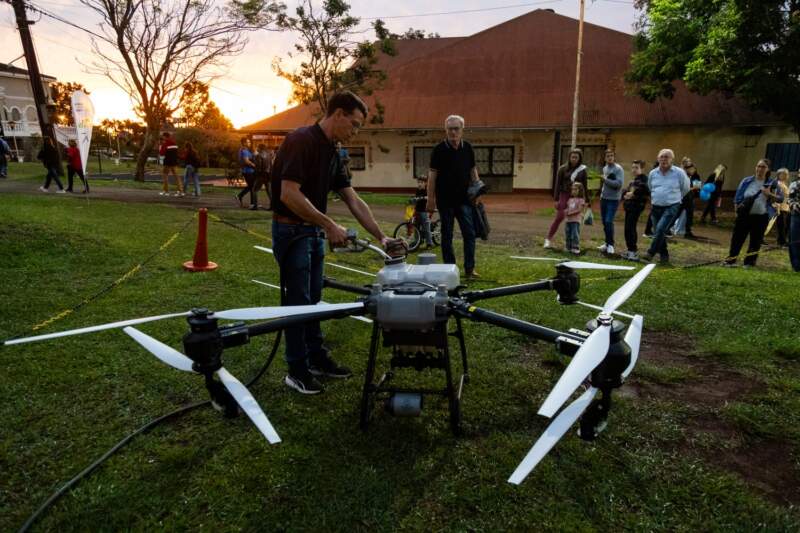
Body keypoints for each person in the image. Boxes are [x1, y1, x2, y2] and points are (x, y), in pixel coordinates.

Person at [271, 91, 401, 394]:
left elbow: (352, 199)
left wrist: (381, 236)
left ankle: (316, 357)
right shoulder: (300, 140)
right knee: (297, 304)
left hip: (312, 233)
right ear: (338, 114)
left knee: (314, 299)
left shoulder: (334, 151)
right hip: (291, 233)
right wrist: (328, 224)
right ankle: (297, 369)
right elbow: (288, 193)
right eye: (353, 124)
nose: (355, 132)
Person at [426, 114, 482, 278]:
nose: (453, 132)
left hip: (465, 200)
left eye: (456, 129)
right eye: (450, 129)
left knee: (470, 234)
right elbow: (432, 176)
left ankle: (470, 269)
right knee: (447, 236)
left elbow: (473, 171)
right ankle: (450, 270)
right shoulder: (439, 150)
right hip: (445, 201)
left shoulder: (468, 148)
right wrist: (430, 199)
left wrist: (478, 190)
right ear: (446, 130)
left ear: (462, 130)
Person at [723, 159, 782, 268]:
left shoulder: (771, 183)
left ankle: (749, 262)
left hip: (761, 216)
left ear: (768, 169)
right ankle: (731, 260)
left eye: (763, 167)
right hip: (744, 215)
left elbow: (781, 198)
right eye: (758, 166)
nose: (760, 169)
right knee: (737, 238)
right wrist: (737, 212)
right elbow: (737, 197)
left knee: (756, 240)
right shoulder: (747, 181)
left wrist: (769, 194)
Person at [642, 149, 689, 264]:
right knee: (659, 231)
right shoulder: (653, 173)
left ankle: (650, 252)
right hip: (656, 206)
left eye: (667, 157)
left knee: (660, 228)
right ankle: (664, 255)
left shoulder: (679, 173)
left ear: (672, 159)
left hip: (671, 206)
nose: (664, 159)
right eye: (662, 157)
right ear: (658, 159)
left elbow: (686, 188)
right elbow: (650, 187)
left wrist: (676, 198)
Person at [545, 148, 588, 249]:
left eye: (576, 157)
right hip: (564, 195)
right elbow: (557, 184)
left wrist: (587, 201)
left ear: (579, 158)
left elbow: (585, 186)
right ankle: (548, 239)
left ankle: (573, 244)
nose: (574, 159)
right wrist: (556, 199)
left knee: (575, 220)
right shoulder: (562, 169)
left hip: (576, 198)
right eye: (572, 157)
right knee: (559, 217)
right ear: (569, 157)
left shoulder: (583, 170)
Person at [621, 159, 650, 260]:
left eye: (636, 168)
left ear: (642, 169)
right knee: (628, 229)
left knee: (630, 228)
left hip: (636, 208)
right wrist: (625, 194)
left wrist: (633, 194)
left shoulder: (644, 180)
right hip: (629, 207)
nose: (633, 169)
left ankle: (633, 252)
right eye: (632, 167)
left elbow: (645, 190)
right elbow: (626, 192)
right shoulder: (634, 180)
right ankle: (630, 251)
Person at [598, 149, 624, 254]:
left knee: (609, 221)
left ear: (614, 157)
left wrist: (605, 180)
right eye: (608, 156)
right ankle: (607, 243)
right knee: (605, 222)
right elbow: (606, 184)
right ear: (605, 158)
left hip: (613, 200)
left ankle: (611, 245)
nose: (610, 157)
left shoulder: (618, 169)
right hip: (603, 198)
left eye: (611, 156)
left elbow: (618, 184)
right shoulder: (605, 168)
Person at [674, 161, 702, 238]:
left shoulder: (695, 176)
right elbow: (682, 187)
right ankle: (666, 229)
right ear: (687, 169)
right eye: (692, 169)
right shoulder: (683, 176)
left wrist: (697, 188)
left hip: (690, 198)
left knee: (689, 216)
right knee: (676, 214)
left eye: (694, 169)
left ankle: (688, 232)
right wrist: (693, 188)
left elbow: (697, 186)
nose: (694, 170)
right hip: (683, 198)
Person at [565, 182, 586, 255]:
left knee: (575, 234)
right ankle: (568, 246)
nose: (573, 191)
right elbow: (567, 208)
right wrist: (566, 211)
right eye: (572, 189)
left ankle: (575, 247)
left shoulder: (581, 200)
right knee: (568, 233)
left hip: (575, 220)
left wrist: (570, 213)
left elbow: (579, 209)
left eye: (575, 189)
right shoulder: (570, 200)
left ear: (580, 190)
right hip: (568, 220)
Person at [159, 132, 183, 196]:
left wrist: (161, 145)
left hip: (167, 163)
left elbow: (161, 153)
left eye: (163, 137)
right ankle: (180, 191)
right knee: (177, 177)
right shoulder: (174, 143)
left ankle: (166, 191)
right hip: (174, 162)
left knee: (165, 176)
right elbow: (177, 153)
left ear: (165, 137)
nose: (162, 138)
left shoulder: (165, 144)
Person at [251, 143, 273, 210]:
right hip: (268, 175)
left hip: (261, 175)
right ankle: (272, 206)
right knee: (269, 191)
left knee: (254, 190)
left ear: (260, 148)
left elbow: (259, 167)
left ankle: (255, 206)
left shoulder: (258, 155)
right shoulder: (269, 155)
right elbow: (271, 165)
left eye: (257, 147)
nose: (257, 149)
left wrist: (255, 174)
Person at [236, 137, 256, 207]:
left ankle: (240, 196)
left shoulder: (246, 150)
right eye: (248, 142)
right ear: (244, 143)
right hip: (247, 171)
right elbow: (246, 161)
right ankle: (252, 204)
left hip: (249, 171)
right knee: (252, 187)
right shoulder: (244, 150)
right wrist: (254, 165)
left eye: (249, 142)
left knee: (251, 187)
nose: (249, 143)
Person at [414, 177, 434, 248]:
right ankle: (417, 241)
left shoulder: (427, 190)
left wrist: (424, 197)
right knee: (416, 226)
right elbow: (416, 198)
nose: (419, 184)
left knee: (426, 228)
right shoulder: (417, 190)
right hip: (417, 210)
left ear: (425, 183)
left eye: (421, 182)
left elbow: (428, 197)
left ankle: (429, 243)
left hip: (424, 211)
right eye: (418, 182)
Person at [773, 168, 790, 247]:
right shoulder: (778, 184)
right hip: (781, 208)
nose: (787, 175)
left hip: (786, 208)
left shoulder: (784, 184)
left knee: (785, 225)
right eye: (784, 174)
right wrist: (777, 208)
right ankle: (781, 241)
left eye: (787, 174)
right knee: (781, 226)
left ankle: (783, 241)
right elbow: (776, 197)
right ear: (779, 175)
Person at [788, 174, 800, 272]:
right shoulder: (794, 185)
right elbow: (789, 199)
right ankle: (796, 266)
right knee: (794, 241)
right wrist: (794, 205)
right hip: (796, 216)